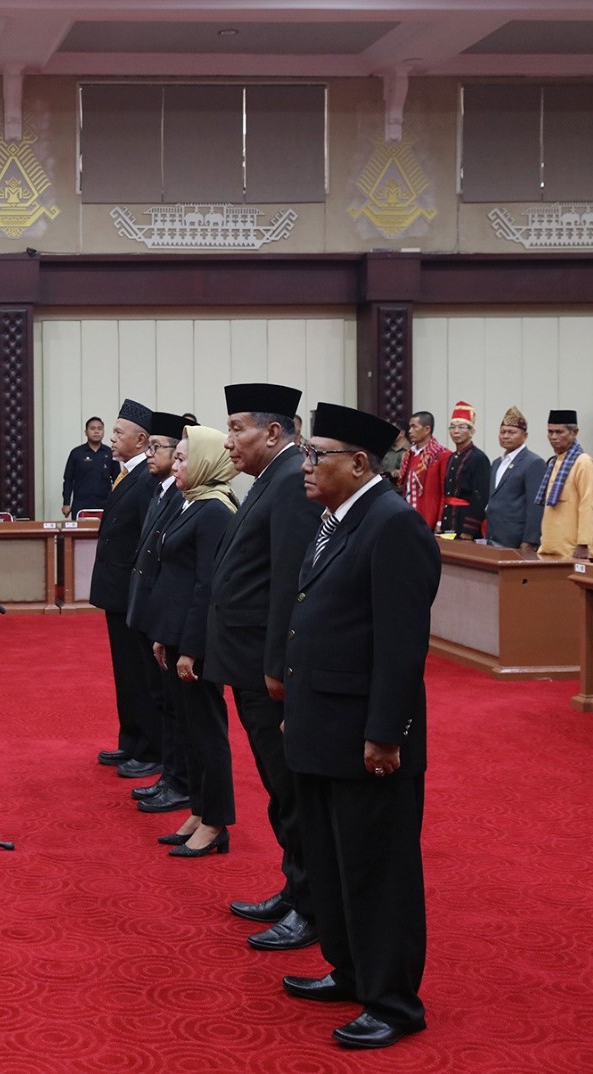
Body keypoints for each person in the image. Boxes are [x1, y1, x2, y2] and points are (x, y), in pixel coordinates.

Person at [281, 402, 439, 1051]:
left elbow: (402, 645)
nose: (307, 465)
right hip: (324, 727)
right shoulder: (337, 519)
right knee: (334, 860)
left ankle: (394, 1002)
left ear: (361, 462)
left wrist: (385, 733)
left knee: (378, 870)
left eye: (319, 455)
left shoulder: (392, 524)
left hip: (366, 736)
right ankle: (350, 971)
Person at [205, 383, 322, 951]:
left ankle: (312, 904)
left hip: (267, 670)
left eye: (236, 429)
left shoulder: (293, 482)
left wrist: (278, 667)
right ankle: (294, 886)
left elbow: (289, 586)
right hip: (248, 662)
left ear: (273, 432)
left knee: (292, 790)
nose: (228, 442)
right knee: (279, 791)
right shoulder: (266, 480)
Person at [145, 426, 239, 857]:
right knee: (189, 730)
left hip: (196, 642)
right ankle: (200, 811)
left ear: (203, 461)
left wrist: (190, 648)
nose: (176, 465)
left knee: (207, 731)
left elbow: (207, 587)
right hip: (176, 633)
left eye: (183, 458)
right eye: (176, 457)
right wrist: (165, 636)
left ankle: (216, 821)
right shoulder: (192, 503)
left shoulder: (215, 509)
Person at [124, 411, 191, 815]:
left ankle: (178, 779)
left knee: (174, 704)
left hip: (171, 619)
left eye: (158, 448)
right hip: (151, 613)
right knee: (161, 700)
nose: (150, 454)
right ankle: (170, 775)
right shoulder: (160, 491)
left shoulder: (188, 498)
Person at [89, 399, 160, 778]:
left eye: (118, 433)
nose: (112, 439)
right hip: (116, 590)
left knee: (138, 672)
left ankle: (149, 747)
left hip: (132, 591)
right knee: (124, 672)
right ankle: (131, 739)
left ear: (142, 439)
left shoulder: (146, 478)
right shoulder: (123, 473)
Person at [485, 406, 543, 552]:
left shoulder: (533, 462)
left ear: (525, 435)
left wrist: (530, 540)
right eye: (502, 432)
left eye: (512, 432)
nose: (505, 436)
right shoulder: (497, 463)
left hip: (516, 539)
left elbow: (535, 506)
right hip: (493, 535)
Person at [537, 409, 593, 559]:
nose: (553, 437)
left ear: (574, 432)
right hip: (549, 548)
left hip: (573, 551)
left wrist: (584, 544)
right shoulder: (554, 462)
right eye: (550, 432)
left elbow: (588, 505)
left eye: (559, 432)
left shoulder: (583, 462)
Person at [438, 401, 491, 539]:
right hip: (449, 521)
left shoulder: (479, 458)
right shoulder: (452, 457)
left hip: (465, 524)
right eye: (452, 427)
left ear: (472, 431)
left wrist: (469, 530)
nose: (456, 431)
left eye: (462, 427)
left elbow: (480, 497)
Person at [397, 411, 447, 530]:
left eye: (414, 427)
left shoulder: (441, 455)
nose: (410, 431)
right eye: (409, 427)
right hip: (408, 515)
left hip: (428, 518)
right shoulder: (409, 454)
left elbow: (444, 491)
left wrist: (440, 521)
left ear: (427, 429)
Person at [61, 416, 114, 517]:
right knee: (80, 533)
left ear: (104, 431)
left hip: (105, 504)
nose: (96, 431)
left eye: (99, 428)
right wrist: (66, 503)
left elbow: (117, 480)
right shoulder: (76, 453)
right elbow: (68, 479)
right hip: (81, 504)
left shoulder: (110, 453)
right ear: (86, 432)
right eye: (92, 428)